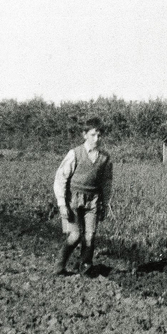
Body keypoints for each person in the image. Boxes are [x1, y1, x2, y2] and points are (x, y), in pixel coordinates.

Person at [53, 117, 113, 275]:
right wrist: (62, 204)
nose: (96, 139)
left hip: (92, 201)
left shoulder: (105, 158)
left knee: (90, 236)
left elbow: (107, 183)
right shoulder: (75, 154)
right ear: (84, 135)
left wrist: (105, 204)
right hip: (73, 199)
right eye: (93, 135)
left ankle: (85, 267)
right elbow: (61, 178)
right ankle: (59, 265)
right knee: (75, 236)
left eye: (99, 135)